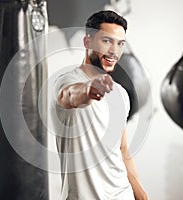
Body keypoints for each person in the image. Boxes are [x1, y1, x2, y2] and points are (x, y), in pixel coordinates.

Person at [52, 10, 148, 200]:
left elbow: (122, 150)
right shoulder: (65, 81)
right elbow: (69, 96)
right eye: (107, 41)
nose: (114, 50)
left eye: (120, 44)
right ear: (87, 42)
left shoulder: (120, 93)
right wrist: (89, 90)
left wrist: (142, 195)